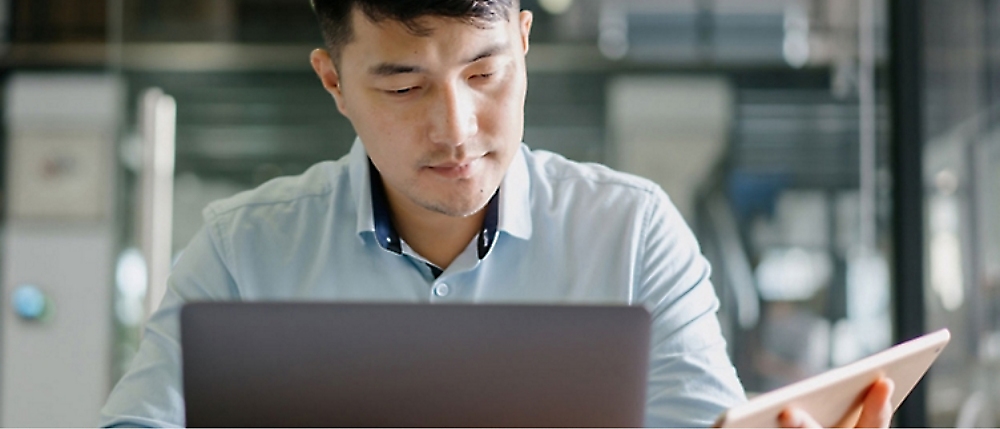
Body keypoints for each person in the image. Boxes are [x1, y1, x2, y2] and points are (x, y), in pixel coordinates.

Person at [99, 0, 894, 427]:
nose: (457, 129)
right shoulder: (244, 249)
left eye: (485, 71)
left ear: (524, 40)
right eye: (404, 86)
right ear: (333, 81)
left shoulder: (631, 233)